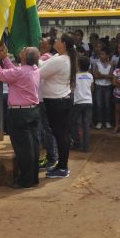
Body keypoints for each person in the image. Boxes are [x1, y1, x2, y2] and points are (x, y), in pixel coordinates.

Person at [0, 45, 42, 188]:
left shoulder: (20, 72)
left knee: (23, 148)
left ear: (25, 57)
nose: (22, 49)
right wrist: (5, 58)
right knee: (33, 146)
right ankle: (32, 178)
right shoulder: (34, 69)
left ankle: (25, 180)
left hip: (19, 114)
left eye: (24, 50)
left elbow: (0, 74)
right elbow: (15, 73)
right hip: (32, 111)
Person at [39, 33, 77, 179]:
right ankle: (61, 165)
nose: (56, 40)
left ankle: (62, 167)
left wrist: (31, 60)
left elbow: (39, 73)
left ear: (64, 44)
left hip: (56, 102)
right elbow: (43, 65)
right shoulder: (61, 57)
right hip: (61, 100)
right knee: (61, 134)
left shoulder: (60, 60)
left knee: (60, 135)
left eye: (60, 40)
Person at [71, 56, 94, 151]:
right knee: (86, 124)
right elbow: (92, 88)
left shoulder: (75, 76)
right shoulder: (90, 76)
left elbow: (71, 88)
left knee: (73, 122)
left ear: (79, 65)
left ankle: (77, 142)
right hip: (88, 101)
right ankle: (86, 147)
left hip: (78, 102)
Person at [92, 47, 113, 129]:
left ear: (107, 55)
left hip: (108, 86)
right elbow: (95, 75)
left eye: (102, 54)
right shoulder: (97, 63)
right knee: (99, 104)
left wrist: (101, 75)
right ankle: (100, 121)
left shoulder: (111, 63)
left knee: (107, 105)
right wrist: (105, 76)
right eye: (100, 54)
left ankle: (107, 121)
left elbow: (111, 76)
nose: (100, 55)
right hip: (98, 85)